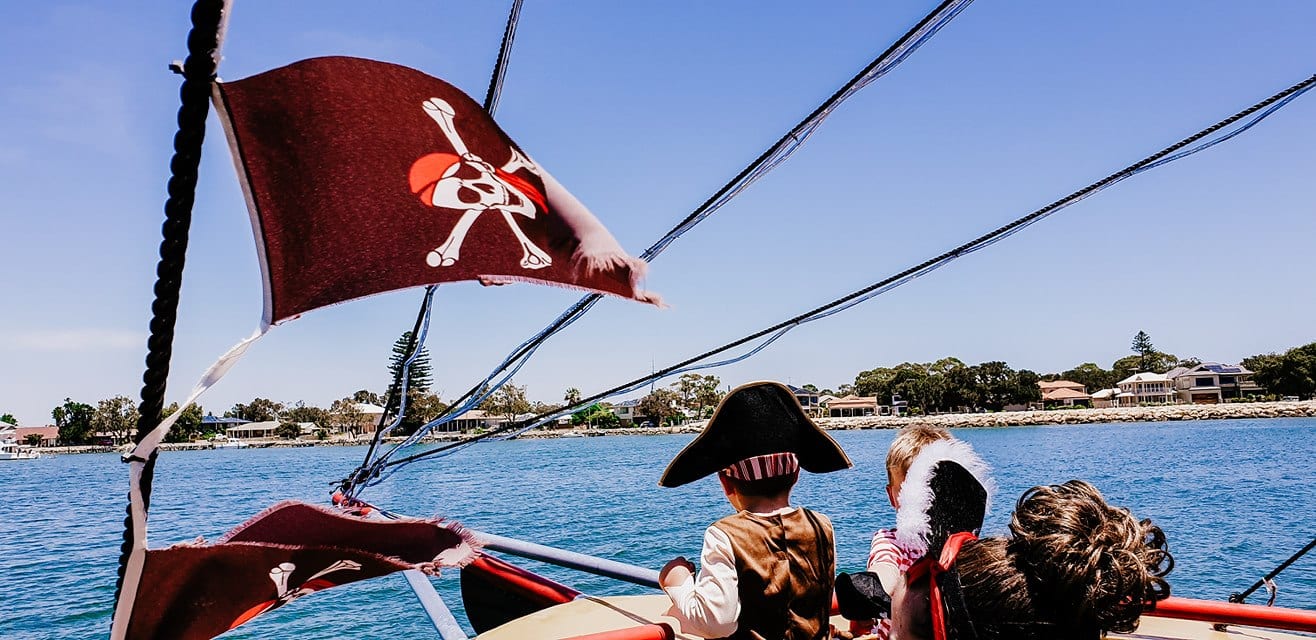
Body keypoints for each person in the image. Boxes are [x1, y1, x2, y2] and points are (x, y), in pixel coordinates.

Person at [656, 380, 853, 640]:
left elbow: (717, 622)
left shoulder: (724, 535)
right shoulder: (821, 525)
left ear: (725, 482)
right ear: (796, 475)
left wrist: (678, 583)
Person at [853, 426, 955, 639]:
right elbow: (885, 567)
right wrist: (870, 588)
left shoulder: (959, 544)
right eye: (911, 490)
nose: (926, 499)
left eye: (933, 486)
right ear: (892, 497)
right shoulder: (891, 542)